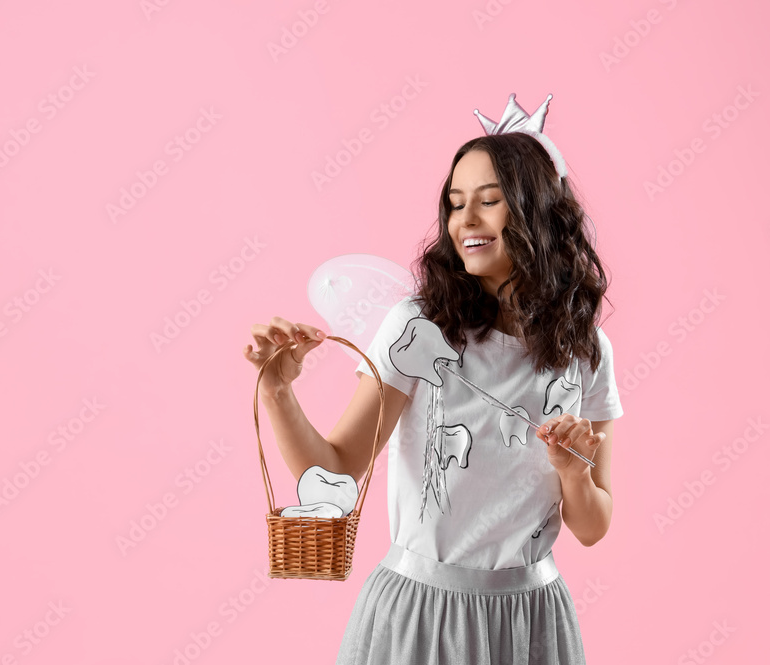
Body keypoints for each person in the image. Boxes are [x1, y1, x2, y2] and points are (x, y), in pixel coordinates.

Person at [245, 123, 622, 664]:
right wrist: (278, 391)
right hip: (419, 615)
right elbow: (337, 467)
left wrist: (572, 471)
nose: (464, 219)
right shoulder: (420, 329)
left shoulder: (586, 351)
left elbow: (594, 525)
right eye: (455, 203)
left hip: (531, 622)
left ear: (539, 214)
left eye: (489, 201)